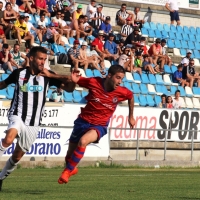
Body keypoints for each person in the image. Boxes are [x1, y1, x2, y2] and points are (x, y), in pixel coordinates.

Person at [0, 46, 80, 191]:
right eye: (40, 59)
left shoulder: (48, 76)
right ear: (31, 59)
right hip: (17, 114)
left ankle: (1, 178)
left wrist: (72, 81)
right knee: (8, 138)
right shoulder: (19, 73)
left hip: (34, 122)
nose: (43, 62)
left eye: (45, 59)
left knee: (17, 157)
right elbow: (3, 84)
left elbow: (69, 89)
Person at [39, 64, 135, 184]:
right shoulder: (94, 82)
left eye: (122, 78)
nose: (120, 82)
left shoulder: (122, 91)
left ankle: (67, 173)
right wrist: (50, 75)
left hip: (99, 126)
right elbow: (72, 79)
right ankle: (71, 168)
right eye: (118, 78)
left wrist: (130, 116)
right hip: (82, 121)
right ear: (109, 76)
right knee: (69, 157)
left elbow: (131, 96)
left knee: (83, 141)